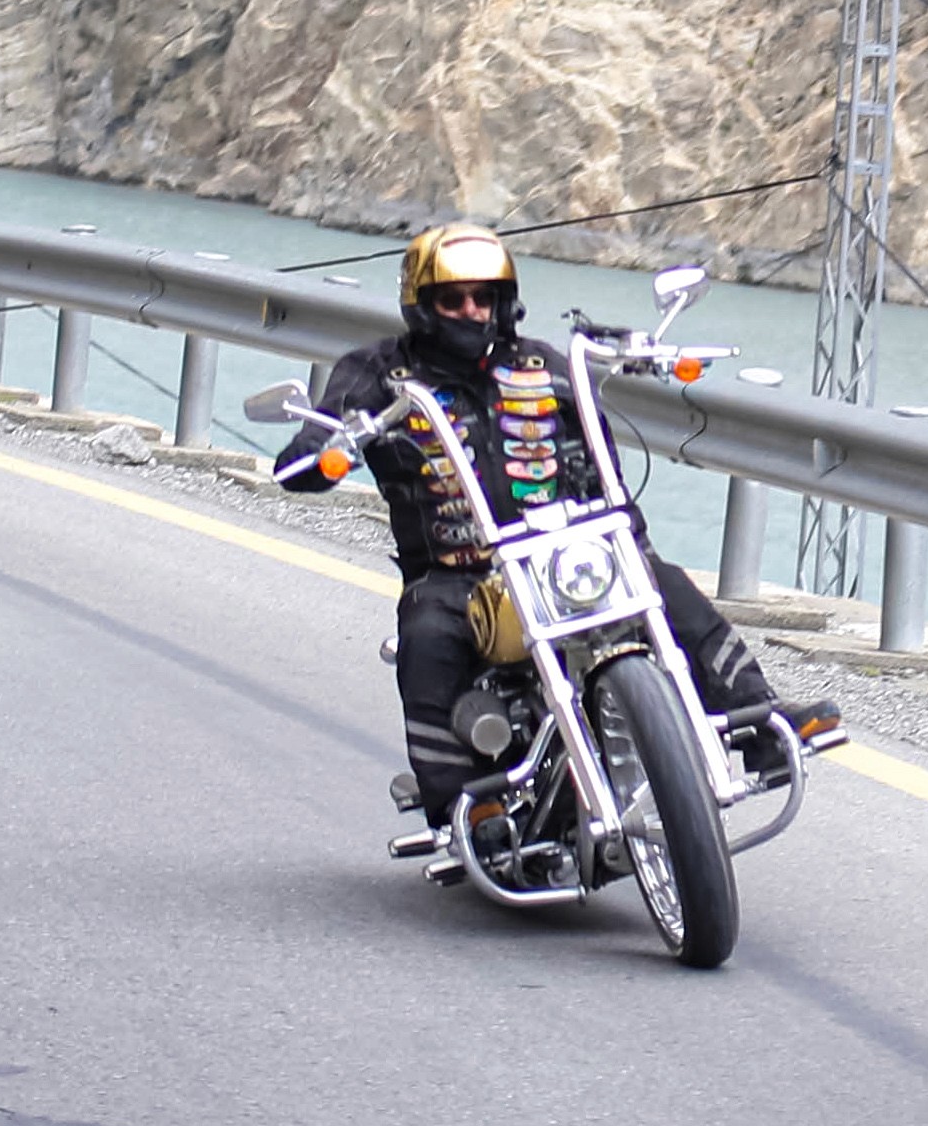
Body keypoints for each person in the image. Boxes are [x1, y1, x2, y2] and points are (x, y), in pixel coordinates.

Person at [283, 223, 843, 831]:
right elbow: (312, 448)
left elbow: (601, 463)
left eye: (484, 297)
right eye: (453, 299)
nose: (471, 310)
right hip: (458, 576)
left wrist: (628, 539)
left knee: (664, 585)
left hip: (562, 555)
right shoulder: (380, 374)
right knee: (426, 635)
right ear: (423, 304)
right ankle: (467, 805)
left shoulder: (541, 365)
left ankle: (761, 722)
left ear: (504, 301)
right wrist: (322, 450)